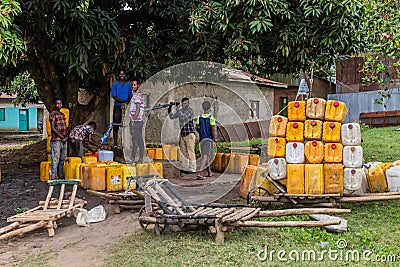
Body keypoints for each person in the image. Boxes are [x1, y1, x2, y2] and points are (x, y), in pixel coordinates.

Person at [168, 97, 196, 173]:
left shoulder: (190, 111)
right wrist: (170, 107)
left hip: (189, 133)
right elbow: (172, 116)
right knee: (183, 152)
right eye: (183, 103)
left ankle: (193, 168)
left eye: (186, 103)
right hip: (182, 134)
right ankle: (185, 167)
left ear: (188, 103)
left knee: (190, 151)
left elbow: (183, 117)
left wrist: (177, 108)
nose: (184, 105)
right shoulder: (180, 111)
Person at [111, 70, 133, 148]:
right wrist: (123, 101)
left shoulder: (128, 85)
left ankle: (127, 144)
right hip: (118, 107)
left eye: (123, 74)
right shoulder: (115, 84)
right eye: (120, 74)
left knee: (127, 125)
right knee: (116, 125)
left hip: (126, 107)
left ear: (125, 75)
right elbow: (114, 96)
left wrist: (127, 101)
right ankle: (115, 143)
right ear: (118, 75)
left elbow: (130, 95)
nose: (122, 76)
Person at [196, 101, 217, 180]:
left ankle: (209, 172)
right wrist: (215, 140)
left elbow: (196, 127)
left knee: (205, 155)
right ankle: (200, 173)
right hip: (208, 139)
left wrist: (201, 132)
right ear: (209, 108)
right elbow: (213, 130)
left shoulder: (200, 117)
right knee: (205, 155)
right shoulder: (211, 118)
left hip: (202, 139)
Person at [49, 97, 68, 180]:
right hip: (56, 140)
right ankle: (53, 177)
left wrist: (66, 137)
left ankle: (60, 176)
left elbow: (65, 127)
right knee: (55, 159)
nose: (59, 105)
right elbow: (53, 128)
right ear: (55, 104)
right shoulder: (53, 114)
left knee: (62, 159)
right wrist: (62, 137)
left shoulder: (62, 115)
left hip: (64, 140)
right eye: (57, 103)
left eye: (60, 103)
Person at [129, 80, 145, 163]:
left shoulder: (138, 95)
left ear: (138, 85)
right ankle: (141, 158)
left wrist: (133, 120)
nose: (133, 86)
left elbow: (138, 109)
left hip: (136, 121)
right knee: (139, 140)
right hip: (138, 121)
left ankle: (132, 158)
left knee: (135, 140)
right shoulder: (136, 95)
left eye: (134, 85)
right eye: (132, 85)